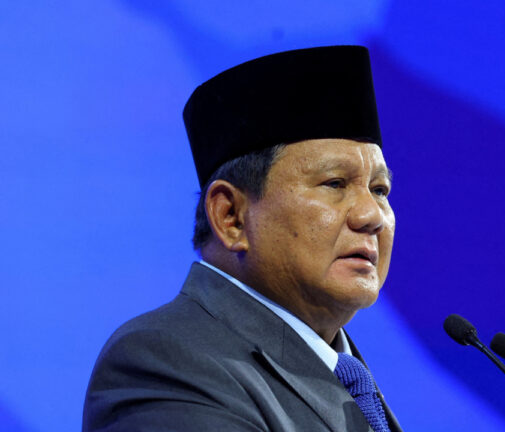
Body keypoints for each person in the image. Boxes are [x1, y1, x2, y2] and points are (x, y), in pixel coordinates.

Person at [83, 45, 402, 432]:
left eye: (380, 189)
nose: (372, 216)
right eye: (334, 183)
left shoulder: (349, 376)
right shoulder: (165, 360)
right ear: (230, 216)